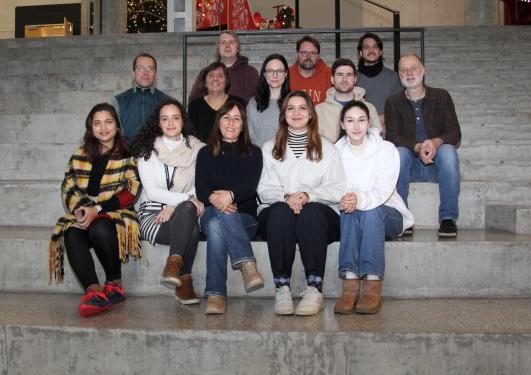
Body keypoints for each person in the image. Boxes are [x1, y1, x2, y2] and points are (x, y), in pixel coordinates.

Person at [257, 91, 347, 316]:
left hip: (319, 213)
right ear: (283, 114)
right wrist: (287, 198)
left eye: (302, 108)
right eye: (290, 108)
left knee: (310, 213)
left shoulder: (328, 148)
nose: (296, 113)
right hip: (278, 211)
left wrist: (308, 196)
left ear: (311, 114)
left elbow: (337, 188)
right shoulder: (268, 149)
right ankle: (282, 287)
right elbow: (264, 188)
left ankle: (314, 288)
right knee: (279, 212)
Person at [49, 103, 141, 317]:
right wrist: (81, 210)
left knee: (99, 226)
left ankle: (115, 285)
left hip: (117, 213)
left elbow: (131, 190)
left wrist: (97, 209)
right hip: (83, 212)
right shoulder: (80, 154)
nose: (103, 127)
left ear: (117, 126)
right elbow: (68, 186)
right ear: (90, 128)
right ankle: (94, 292)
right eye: (97, 123)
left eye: (108, 122)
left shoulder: (128, 154)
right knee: (71, 232)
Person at [334, 100, 414, 315]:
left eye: (361, 120)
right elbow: (334, 187)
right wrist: (348, 200)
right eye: (350, 121)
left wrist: (356, 199)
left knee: (368, 208)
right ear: (342, 124)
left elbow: (383, 190)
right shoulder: (335, 152)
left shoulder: (386, 149)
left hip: (388, 215)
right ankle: (350, 283)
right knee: (350, 209)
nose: (356, 126)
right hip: (352, 216)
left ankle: (372, 282)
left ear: (369, 123)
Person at [130, 99, 205, 305]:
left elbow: (200, 184)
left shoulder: (197, 149)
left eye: (175, 118)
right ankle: (184, 279)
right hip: (153, 214)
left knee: (189, 211)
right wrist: (184, 200)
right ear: (159, 123)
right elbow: (152, 192)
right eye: (165, 119)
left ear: (183, 121)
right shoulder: (148, 150)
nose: (170, 123)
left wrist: (175, 206)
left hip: (184, 211)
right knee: (191, 222)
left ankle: (173, 265)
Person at [195, 100, 264, 314]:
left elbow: (250, 187)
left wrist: (230, 195)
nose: (231, 122)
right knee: (215, 218)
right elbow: (201, 190)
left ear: (243, 124)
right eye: (226, 117)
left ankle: (215, 294)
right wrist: (218, 200)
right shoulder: (205, 153)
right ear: (219, 122)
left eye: (237, 118)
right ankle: (247, 264)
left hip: (246, 218)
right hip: (210, 212)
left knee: (217, 225)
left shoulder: (254, 152)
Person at [385, 53, 461, 237]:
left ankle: (448, 219)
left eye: (414, 68)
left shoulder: (441, 96)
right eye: (403, 70)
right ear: (399, 76)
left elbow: (454, 132)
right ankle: (403, 217)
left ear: (423, 70)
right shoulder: (393, 103)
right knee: (399, 153)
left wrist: (435, 143)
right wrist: (418, 147)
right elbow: (393, 137)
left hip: (439, 166)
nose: (409, 73)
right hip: (409, 167)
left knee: (449, 152)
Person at [111, 53, 173, 145]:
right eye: (140, 68)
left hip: (158, 155)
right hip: (127, 155)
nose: (145, 73)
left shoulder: (167, 101)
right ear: (133, 73)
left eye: (150, 68)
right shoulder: (119, 101)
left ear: (155, 74)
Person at [316, 58, 382, 143]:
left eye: (349, 75)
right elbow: (316, 142)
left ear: (355, 79)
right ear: (332, 79)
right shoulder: (319, 110)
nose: (344, 79)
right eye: (340, 75)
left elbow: (377, 139)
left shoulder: (369, 108)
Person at [188, 30, 259, 104]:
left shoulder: (251, 73)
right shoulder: (206, 73)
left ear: (237, 48)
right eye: (223, 42)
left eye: (231, 42)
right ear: (218, 48)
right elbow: (193, 101)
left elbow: (259, 101)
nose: (227, 46)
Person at [188, 62, 245, 143]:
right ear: (205, 82)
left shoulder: (238, 103)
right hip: (202, 152)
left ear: (226, 81)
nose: (215, 79)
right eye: (211, 75)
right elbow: (191, 135)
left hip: (232, 151)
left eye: (220, 76)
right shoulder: (195, 105)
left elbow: (243, 131)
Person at [355, 33, 403, 126]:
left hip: (386, 131)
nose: (371, 50)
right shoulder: (351, 77)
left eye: (375, 47)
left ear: (380, 51)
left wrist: (382, 119)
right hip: (357, 130)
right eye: (366, 47)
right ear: (360, 53)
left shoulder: (393, 77)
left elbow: (399, 106)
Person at [247, 53, 290, 147]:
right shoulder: (253, 102)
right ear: (264, 74)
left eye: (279, 71)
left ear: (285, 74)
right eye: (270, 71)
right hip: (260, 156)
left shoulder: (293, 101)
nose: (275, 75)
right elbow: (250, 135)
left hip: (288, 158)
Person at [288, 35, 331, 105]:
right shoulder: (287, 75)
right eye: (304, 53)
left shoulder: (329, 74)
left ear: (318, 56)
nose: (308, 57)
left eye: (313, 53)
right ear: (297, 54)